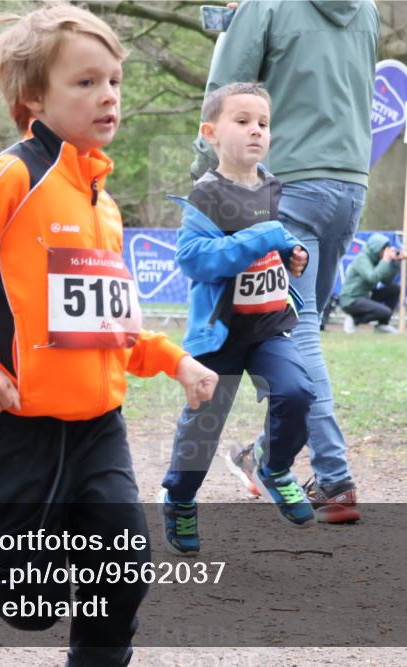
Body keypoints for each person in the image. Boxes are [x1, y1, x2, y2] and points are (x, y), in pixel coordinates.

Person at [0, 6, 218, 665]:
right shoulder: (13, 176)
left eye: (115, 81)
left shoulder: (105, 203)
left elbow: (105, 325)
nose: (109, 96)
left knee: (123, 570)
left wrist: (175, 360)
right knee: (28, 604)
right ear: (33, 97)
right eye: (86, 82)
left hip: (99, 426)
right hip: (19, 426)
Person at [199, 0, 379, 522]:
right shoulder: (366, 9)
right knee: (299, 331)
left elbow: (224, 94)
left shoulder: (266, 4)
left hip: (288, 183)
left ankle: (333, 478)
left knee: (292, 335)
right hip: (348, 183)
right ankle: (263, 456)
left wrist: (202, 171)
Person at [160, 82, 316, 554]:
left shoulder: (271, 185)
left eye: (263, 124)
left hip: (268, 327)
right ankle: (181, 499)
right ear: (210, 132)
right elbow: (193, 260)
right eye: (243, 121)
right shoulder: (206, 195)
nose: (256, 131)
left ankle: (272, 464)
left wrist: (291, 252)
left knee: (297, 391)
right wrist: (262, 237)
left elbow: (273, 239)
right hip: (220, 334)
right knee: (202, 429)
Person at [337, 233, 406, 334]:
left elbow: (386, 280)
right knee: (385, 311)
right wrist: (385, 260)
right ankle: (354, 319)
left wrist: (396, 263)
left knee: (394, 289)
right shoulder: (362, 259)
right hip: (351, 299)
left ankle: (383, 324)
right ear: (376, 248)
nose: (386, 252)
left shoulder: (377, 260)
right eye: (384, 249)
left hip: (365, 296)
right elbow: (372, 278)